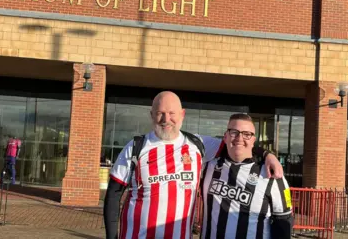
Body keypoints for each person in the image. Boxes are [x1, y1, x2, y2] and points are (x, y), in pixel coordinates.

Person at [104, 91, 284, 239]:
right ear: (152, 115)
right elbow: (113, 195)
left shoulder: (197, 144)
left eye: (172, 113)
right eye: (160, 113)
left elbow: (236, 143)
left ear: (182, 114)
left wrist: (267, 154)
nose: (166, 119)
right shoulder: (135, 147)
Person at [201, 113, 293, 239]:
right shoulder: (208, 166)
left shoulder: (272, 174)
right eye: (234, 132)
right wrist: (266, 153)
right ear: (225, 136)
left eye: (247, 134)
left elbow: (283, 221)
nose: (239, 138)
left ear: (253, 140)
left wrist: (267, 154)